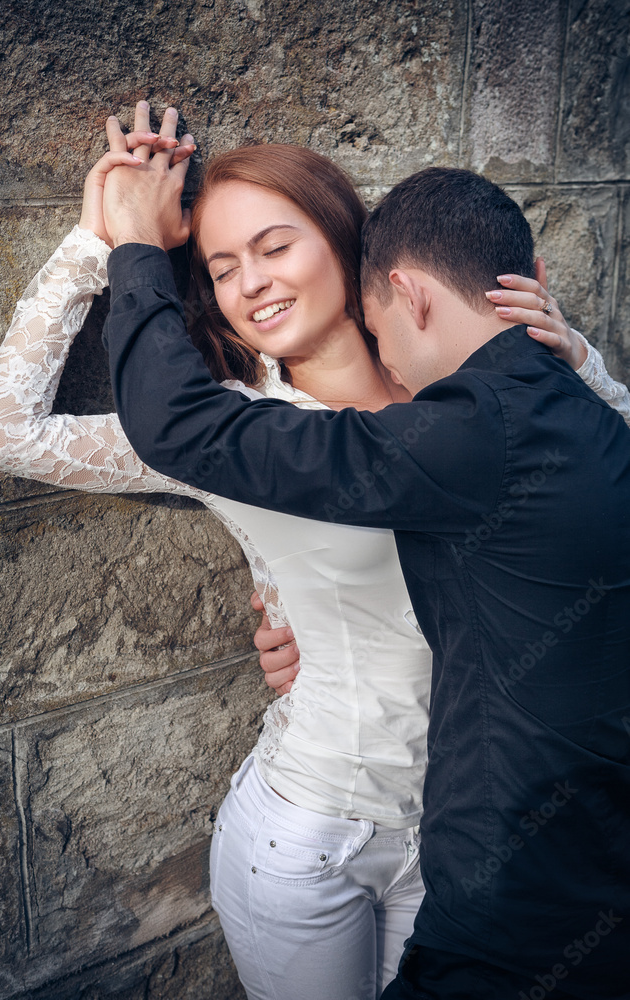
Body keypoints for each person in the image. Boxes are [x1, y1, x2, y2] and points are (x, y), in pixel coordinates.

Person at [96, 105, 630, 1000]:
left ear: (398, 291)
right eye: (222, 267)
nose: (251, 282)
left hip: (485, 883)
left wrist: (130, 245)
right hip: (319, 837)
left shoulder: (454, 433)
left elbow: (180, 424)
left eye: (275, 247)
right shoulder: (570, 423)